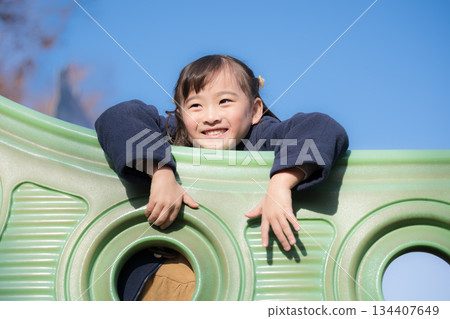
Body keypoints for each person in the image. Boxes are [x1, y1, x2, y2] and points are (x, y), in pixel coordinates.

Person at [95, 54, 349, 252]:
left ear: (255, 111)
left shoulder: (261, 137)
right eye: (195, 105)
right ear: (181, 115)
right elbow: (120, 116)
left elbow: (322, 127)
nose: (211, 116)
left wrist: (282, 183)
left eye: (224, 101)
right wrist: (160, 172)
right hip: (173, 252)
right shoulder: (175, 137)